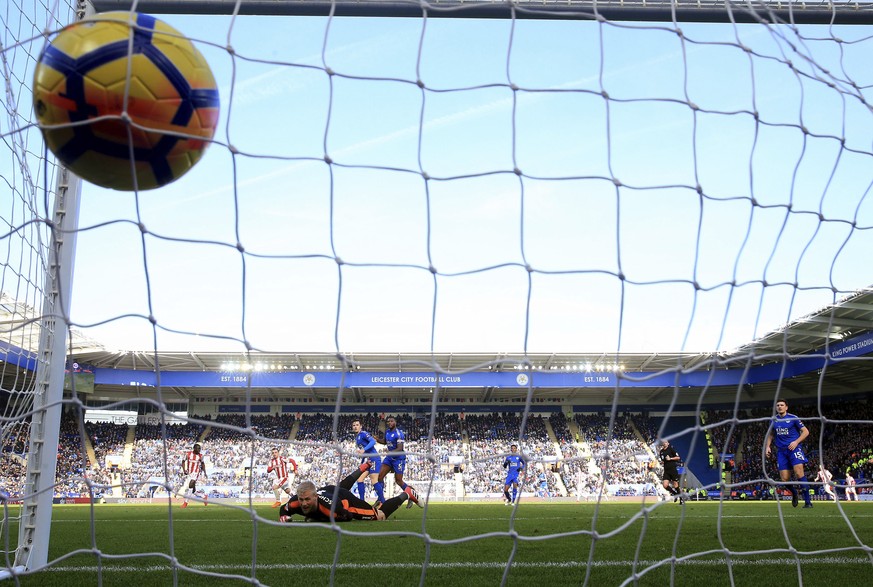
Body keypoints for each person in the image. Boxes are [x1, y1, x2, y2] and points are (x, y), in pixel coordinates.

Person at [278, 462, 409, 522]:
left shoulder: (331, 510)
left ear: (315, 497)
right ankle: (361, 468)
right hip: (330, 491)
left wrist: (316, 518)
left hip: (345, 502)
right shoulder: (295, 502)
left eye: (307, 499)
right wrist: (284, 516)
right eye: (301, 499)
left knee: (379, 516)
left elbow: (348, 516)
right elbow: (284, 509)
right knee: (338, 487)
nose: (304, 503)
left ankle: (407, 493)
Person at [766, 398, 813, 509]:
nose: (779, 407)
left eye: (782, 405)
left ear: (786, 407)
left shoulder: (793, 418)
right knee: (784, 479)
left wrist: (796, 442)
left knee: (798, 473)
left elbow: (806, 431)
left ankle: (808, 502)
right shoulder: (774, 420)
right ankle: (794, 493)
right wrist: (767, 446)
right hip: (781, 452)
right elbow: (771, 434)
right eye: (777, 405)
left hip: (794, 450)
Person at [376, 416, 421, 509]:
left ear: (395, 422)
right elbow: (385, 442)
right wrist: (376, 439)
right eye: (388, 421)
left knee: (399, 481)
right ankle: (380, 498)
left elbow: (400, 448)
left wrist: (389, 452)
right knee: (379, 477)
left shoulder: (399, 434)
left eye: (391, 421)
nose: (389, 423)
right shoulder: (388, 432)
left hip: (398, 459)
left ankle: (412, 495)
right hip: (389, 459)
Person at [352, 418, 386, 506]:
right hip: (368, 460)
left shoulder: (363, 434)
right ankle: (362, 502)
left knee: (374, 480)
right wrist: (362, 462)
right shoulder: (357, 438)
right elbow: (364, 453)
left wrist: (364, 450)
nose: (355, 427)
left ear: (361, 426)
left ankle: (383, 502)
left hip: (374, 458)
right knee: (359, 479)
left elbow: (373, 441)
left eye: (357, 425)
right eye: (354, 425)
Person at [180, 442, 208, 508]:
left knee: (190, 485)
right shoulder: (188, 454)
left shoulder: (201, 456)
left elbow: (203, 464)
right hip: (189, 473)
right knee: (193, 491)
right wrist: (184, 470)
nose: (199, 450)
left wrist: (205, 472)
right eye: (198, 448)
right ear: (194, 448)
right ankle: (203, 496)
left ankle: (185, 503)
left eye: (200, 449)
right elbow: (183, 461)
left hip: (196, 472)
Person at [658, 440, 684, 504]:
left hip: (673, 469)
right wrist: (662, 462)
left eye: (666, 442)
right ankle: (674, 493)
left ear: (668, 443)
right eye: (663, 442)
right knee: (665, 485)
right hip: (666, 470)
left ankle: (681, 499)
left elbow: (678, 457)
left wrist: (671, 458)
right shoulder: (661, 452)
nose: (664, 443)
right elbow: (663, 460)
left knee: (676, 485)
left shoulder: (671, 449)